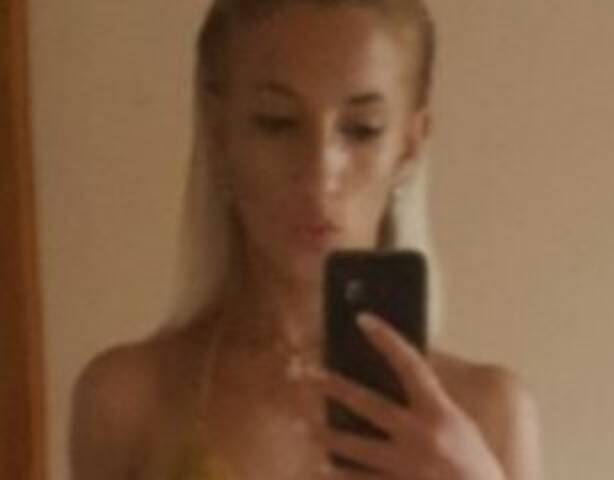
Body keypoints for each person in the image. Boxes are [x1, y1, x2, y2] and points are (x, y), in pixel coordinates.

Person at [70, 1, 542, 479]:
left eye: (362, 129)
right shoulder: (129, 401)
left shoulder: (488, 412)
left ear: (409, 145)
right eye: (276, 122)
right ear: (218, 131)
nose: (319, 175)